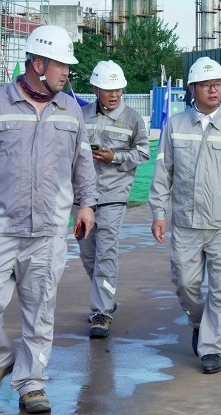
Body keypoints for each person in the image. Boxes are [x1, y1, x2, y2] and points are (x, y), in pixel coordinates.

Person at [0, 25, 97, 415]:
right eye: (61, 64)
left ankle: (32, 384)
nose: (67, 72)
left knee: (40, 310)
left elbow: (82, 162)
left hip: (48, 228)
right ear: (38, 63)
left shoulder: (70, 110)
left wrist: (87, 204)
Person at [149, 56, 221, 376]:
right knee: (186, 284)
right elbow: (163, 172)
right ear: (192, 89)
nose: (214, 90)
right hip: (186, 222)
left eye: (218, 84)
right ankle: (199, 322)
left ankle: (211, 347)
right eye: (207, 85)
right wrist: (158, 212)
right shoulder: (176, 125)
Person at [79, 60, 150, 338]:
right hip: (82, 198)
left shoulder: (133, 119)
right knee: (88, 255)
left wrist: (115, 157)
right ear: (95, 89)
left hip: (113, 195)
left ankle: (102, 312)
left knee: (105, 253)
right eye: (108, 89)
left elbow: (143, 153)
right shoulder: (80, 115)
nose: (114, 94)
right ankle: (105, 295)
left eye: (118, 89)